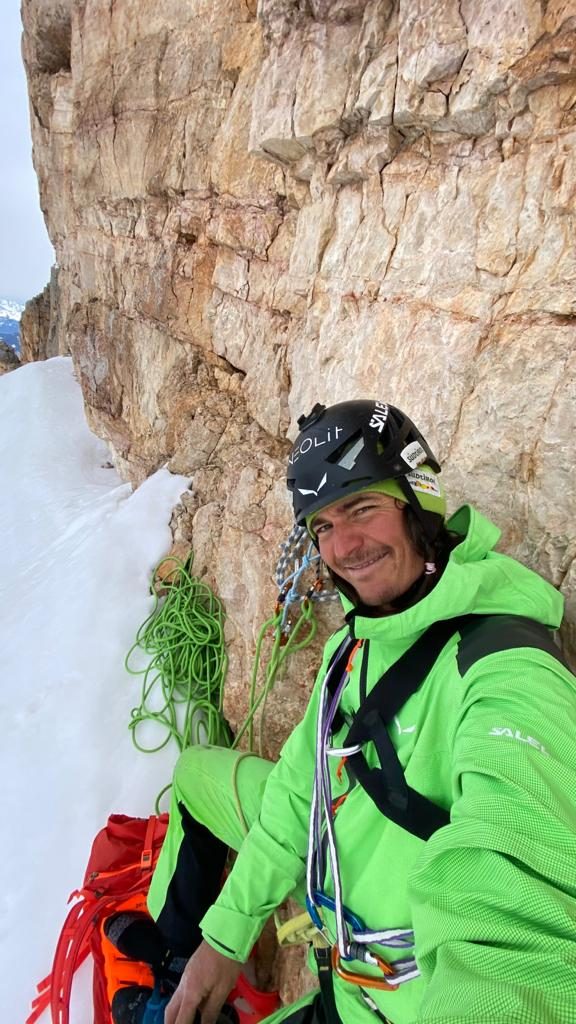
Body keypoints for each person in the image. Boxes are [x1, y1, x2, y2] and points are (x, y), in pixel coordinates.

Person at [118, 400, 576, 1024]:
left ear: (419, 501)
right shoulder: (353, 645)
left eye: (363, 509)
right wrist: (221, 940)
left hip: (393, 1004)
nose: (346, 546)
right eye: (325, 525)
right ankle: (177, 958)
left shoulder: (506, 670)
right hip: (343, 945)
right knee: (196, 774)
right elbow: (293, 796)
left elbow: (516, 922)